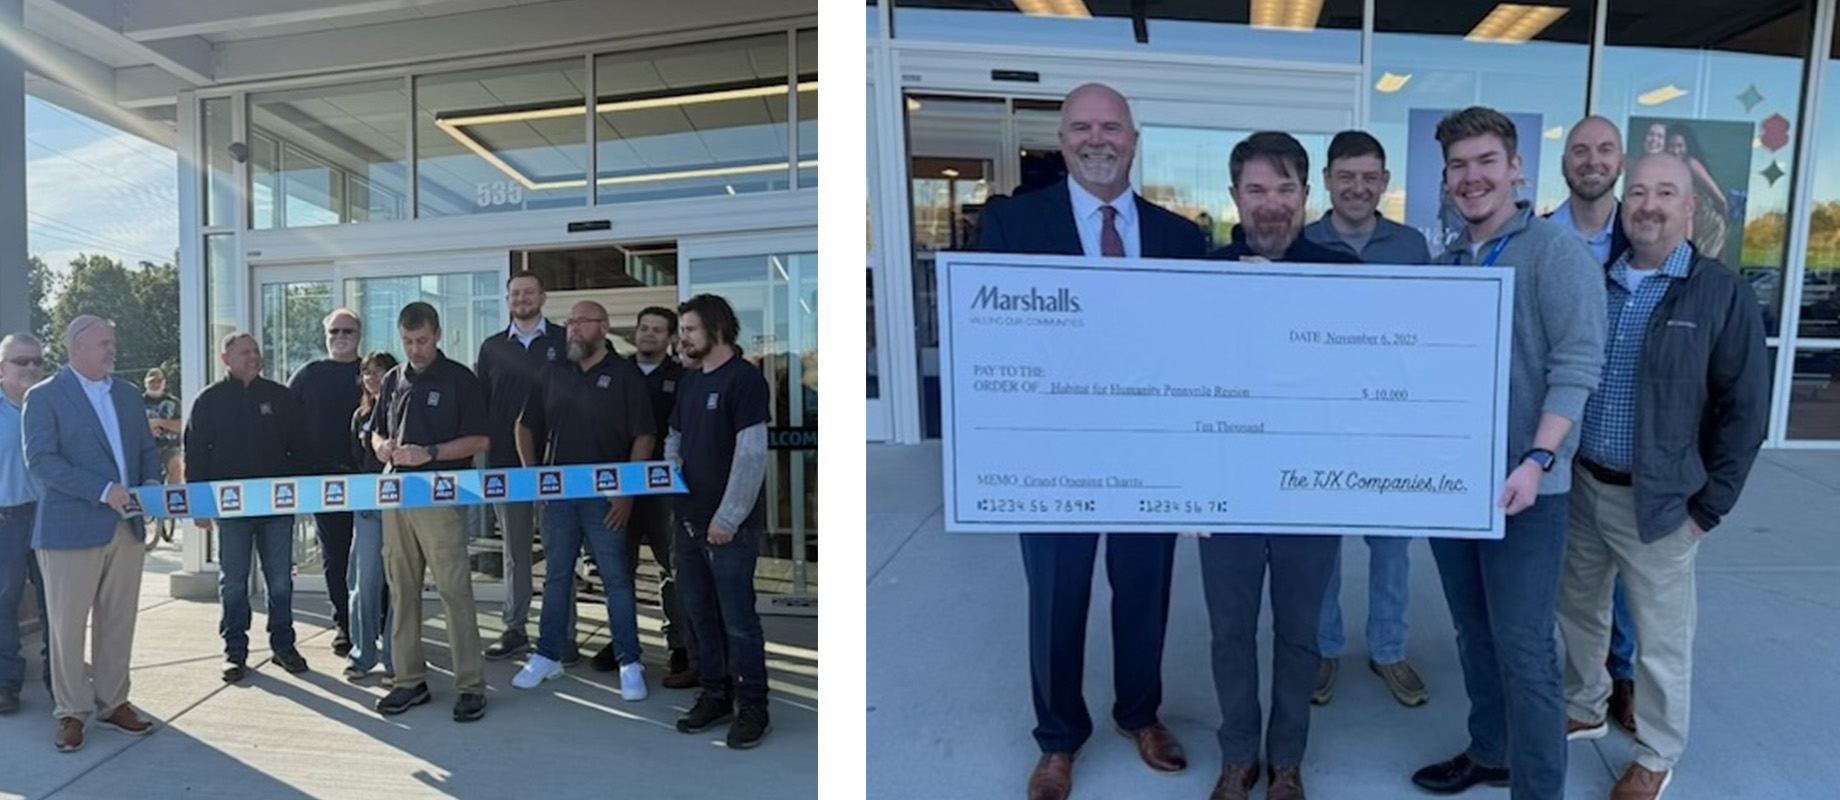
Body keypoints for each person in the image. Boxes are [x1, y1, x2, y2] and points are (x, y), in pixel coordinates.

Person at [974, 81, 1207, 800]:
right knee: (1056, 593)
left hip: (1147, 449)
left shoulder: (1181, 236)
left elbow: (1202, 348)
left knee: (1144, 588)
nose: (1097, 138)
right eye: (1082, 127)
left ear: (1134, 140)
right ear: (1063, 141)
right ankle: (1058, 739)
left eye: (1111, 126)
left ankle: (1140, 713)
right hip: (1051, 453)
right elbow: (988, 344)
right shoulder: (1011, 226)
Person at [1558, 154, 1770, 800]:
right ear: (1625, 207)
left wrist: (1711, 507)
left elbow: (1746, 409)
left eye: (1666, 193)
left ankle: (1656, 751)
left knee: (1660, 640)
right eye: (1639, 192)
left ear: (1689, 210)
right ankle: (1587, 705)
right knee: (1580, 611)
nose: (1649, 204)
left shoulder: (1718, 292)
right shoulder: (1600, 280)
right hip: (1583, 486)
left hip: (1661, 501)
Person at [1411, 107, 1607, 800]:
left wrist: (1538, 459)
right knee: (1473, 632)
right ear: (1446, 179)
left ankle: (1539, 789)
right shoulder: (1447, 264)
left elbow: (1579, 363)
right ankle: (1490, 751)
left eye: (1486, 161)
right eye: (1459, 166)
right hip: (1452, 489)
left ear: (1516, 168)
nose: (1473, 177)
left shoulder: (1554, 253)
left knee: (1525, 649)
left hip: (1528, 490)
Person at [1200, 131, 1360, 800]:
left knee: (1299, 634)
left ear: (1306, 195)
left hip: (1309, 490)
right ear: (1235, 195)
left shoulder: (1344, 276)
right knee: (1231, 631)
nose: (1272, 205)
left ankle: (1286, 759)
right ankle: (1239, 755)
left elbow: (1365, 384)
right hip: (1225, 489)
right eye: (1257, 190)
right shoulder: (1194, 275)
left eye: (1286, 189)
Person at [1297, 130, 1433, 712]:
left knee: (1391, 547)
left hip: (1389, 426)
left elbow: (1430, 335)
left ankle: (1388, 649)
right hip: (1320, 425)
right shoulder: (1300, 243)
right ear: (1327, 179)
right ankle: (1324, 648)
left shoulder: (1412, 245)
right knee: (1320, 548)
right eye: (1346, 176)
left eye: (1369, 177)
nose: (1357, 187)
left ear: (1385, 183)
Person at [22, 316, 163, 753]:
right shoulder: (44, 396)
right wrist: (102, 491)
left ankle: (113, 701)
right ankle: (71, 711)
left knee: (118, 620)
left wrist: (151, 483)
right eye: (104, 343)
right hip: (70, 528)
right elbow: (42, 461)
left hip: (127, 527)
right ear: (76, 348)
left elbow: (144, 449)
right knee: (67, 626)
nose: (112, 350)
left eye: (113, 342)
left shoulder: (125, 394)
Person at [511, 301, 655, 701]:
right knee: (557, 577)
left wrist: (627, 491)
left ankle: (629, 660)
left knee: (616, 580)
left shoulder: (624, 375)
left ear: (603, 327)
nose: (572, 329)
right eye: (570, 322)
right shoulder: (553, 371)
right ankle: (547, 655)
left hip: (607, 499)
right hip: (558, 499)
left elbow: (644, 435)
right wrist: (534, 478)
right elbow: (523, 426)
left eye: (581, 322)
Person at [1550, 116, 1640, 733]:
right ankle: (1584, 687)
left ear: (1621, 160)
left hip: (1623, 436)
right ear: (1565, 162)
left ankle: (1623, 680)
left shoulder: (1644, 237)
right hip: (1559, 437)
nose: (1592, 160)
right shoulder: (1540, 237)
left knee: (1628, 582)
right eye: (1580, 150)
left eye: (1604, 149)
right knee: (1576, 578)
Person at [371, 302, 492, 722]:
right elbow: (376, 430)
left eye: (421, 341)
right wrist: (382, 446)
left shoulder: (460, 379)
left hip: (440, 496)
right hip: (396, 495)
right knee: (401, 590)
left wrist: (431, 453)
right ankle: (409, 681)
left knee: (453, 589)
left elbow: (478, 440)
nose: (415, 349)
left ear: (437, 335)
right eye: (407, 342)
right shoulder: (392, 378)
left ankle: (470, 685)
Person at [667, 294, 774, 750]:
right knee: (700, 614)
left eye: (689, 329)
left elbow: (751, 456)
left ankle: (753, 705)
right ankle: (715, 694)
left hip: (730, 529)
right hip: (689, 523)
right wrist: (671, 477)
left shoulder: (745, 381)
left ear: (715, 329)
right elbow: (673, 438)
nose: (683, 338)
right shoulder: (691, 384)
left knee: (738, 620)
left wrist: (727, 518)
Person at [186, 332, 313, 683]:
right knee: (234, 582)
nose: (254, 357)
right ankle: (234, 652)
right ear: (225, 358)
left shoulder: (280, 398)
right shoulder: (209, 401)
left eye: (256, 351)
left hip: (276, 508)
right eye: (245, 352)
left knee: (280, 581)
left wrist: (302, 494)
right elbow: (195, 454)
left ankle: (283, 646)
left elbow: (300, 448)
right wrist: (199, 503)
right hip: (232, 510)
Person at [588, 306, 696, 689]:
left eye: (657, 330)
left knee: (674, 570)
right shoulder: (617, 372)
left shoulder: (683, 376)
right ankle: (621, 641)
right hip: (620, 487)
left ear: (670, 338)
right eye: (643, 328)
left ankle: (680, 645)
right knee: (619, 569)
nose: (648, 335)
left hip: (665, 491)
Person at [476, 270, 570, 663]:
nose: (522, 299)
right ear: (508, 298)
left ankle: (562, 634)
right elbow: (479, 405)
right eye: (515, 293)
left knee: (559, 552)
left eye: (529, 292)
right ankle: (514, 629)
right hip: (504, 465)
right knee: (515, 554)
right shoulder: (493, 347)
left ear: (543, 296)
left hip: (555, 464)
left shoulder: (565, 341)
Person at [288, 309, 364, 658]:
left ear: (359, 334)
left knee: (369, 555)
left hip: (368, 481)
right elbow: (285, 425)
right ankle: (344, 626)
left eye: (347, 330)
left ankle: (373, 621)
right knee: (334, 556)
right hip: (323, 481)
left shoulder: (372, 373)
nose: (340, 336)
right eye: (334, 330)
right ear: (325, 334)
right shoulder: (308, 375)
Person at [1, 333, 52, 715]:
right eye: (22, 361)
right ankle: (5, 683)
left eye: (37, 361)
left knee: (58, 601)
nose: (32, 368)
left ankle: (61, 682)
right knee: (4, 602)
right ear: (2, 369)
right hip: (7, 520)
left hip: (51, 518)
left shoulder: (53, 407)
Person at [342, 351, 398, 686]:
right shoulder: (359, 415)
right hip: (367, 506)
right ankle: (362, 654)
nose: (372, 378)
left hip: (399, 506)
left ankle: (395, 656)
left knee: (399, 585)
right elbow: (355, 460)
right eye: (366, 373)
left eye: (378, 371)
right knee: (364, 582)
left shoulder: (402, 410)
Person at [1665, 124, 1729, 259]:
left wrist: (1725, 222)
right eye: (1671, 145)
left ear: (1687, 147)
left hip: (1708, 223)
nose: (1675, 150)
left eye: (1680, 145)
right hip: (1690, 223)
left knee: (1702, 264)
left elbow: (1720, 198)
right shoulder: (1669, 169)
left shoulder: (1691, 163)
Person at [141, 367, 182, 549]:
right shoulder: (137, 402)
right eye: (151, 382)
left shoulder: (173, 402)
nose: (155, 384)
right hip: (145, 448)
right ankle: (143, 509)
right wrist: (147, 428)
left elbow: (181, 425)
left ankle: (172, 503)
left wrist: (159, 423)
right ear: (146, 383)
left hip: (169, 446)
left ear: (164, 383)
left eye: (158, 381)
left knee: (176, 463)